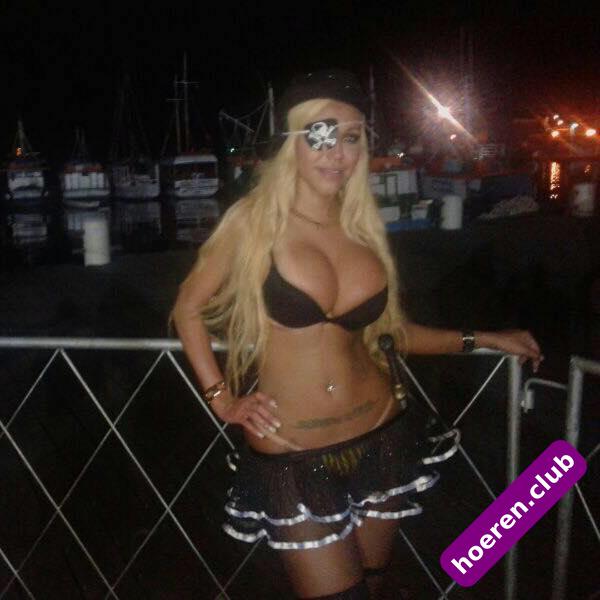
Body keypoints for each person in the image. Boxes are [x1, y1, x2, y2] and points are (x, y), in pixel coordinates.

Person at [170, 69, 543, 599]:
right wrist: (221, 399)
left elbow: (391, 335)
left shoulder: (361, 228)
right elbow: (188, 308)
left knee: (372, 584)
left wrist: (482, 338)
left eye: (350, 138)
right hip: (293, 452)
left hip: (382, 435)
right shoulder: (252, 223)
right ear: (292, 144)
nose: (337, 153)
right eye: (321, 135)